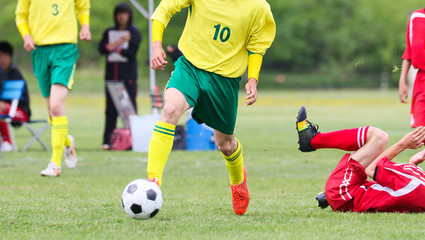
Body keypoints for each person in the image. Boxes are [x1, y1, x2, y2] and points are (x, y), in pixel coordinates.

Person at [148, 0, 276, 215]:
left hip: (224, 80)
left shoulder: (258, 7)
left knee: (225, 145)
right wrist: (156, 45)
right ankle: (153, 181)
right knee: (170, 110)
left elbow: (256, 47)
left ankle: (238, 182)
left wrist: (252, 79)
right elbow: (163, 10)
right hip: (190, 67)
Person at [296, 106, 425, 212]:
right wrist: (414, 163)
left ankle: (313, 140)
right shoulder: (419, 184)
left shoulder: (417, 185)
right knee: (378, 141)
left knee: (379, 137)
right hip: (351, 193)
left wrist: (402, 144)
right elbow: (403, 188)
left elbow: (372, 169)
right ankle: (327, 197)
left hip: (342, 193)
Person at [15, 0, 91, 176]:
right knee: (51, 113)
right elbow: (21, 15)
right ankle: (67, 142)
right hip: (39, 51)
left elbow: (82, 6)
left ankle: (55, 164)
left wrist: (85, 25)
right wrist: (26, 35)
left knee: (56, 107)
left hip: (65, 48)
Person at [98, 2, 141, 150]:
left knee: (129, 108)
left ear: (129, 15)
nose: (121, 16)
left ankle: (132, 139)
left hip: (127, 77)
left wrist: (113, 48)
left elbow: (131, 53)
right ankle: (108, 140)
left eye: (124, 13)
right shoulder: (109, 32)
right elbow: (102, 48)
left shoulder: (134, 33)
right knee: (110, 110)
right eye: (119, 13)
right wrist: (120, 42)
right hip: (111, 77)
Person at [0, 41, 31, 151]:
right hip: (5, 110)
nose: (1, 59)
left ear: (10, 57)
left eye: (4, 56)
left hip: (21, 112)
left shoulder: (14, 73)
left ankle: (8, 143)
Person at [398, 8, 425, 127]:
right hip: (422, 81)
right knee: (420, 132)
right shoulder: (416, 17)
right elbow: (409, 51)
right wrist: (402, 80)